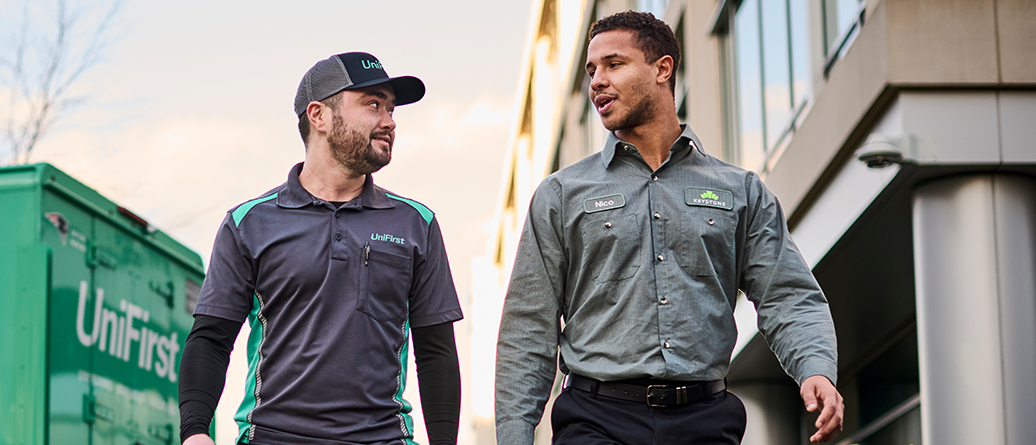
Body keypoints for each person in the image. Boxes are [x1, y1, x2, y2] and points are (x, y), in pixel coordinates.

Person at [494, 11, 843, 445]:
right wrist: (514, 435)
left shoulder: (740, 190)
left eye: (613, 64)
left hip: (706, 420)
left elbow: (787, 294)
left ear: (663, 69)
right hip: (595, 421)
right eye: (590, 70)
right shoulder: (562, 194)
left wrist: (816, 368)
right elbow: (528, 326)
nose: (596, 81)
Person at [178, 52, 463, 445]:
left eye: (392, 108)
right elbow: (211, 338)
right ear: (319, 116)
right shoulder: (249, 223)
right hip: (272, 437)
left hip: (381, 438)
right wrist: (194, 432)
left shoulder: (417, 224)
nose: (390, 121)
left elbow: (436, 352)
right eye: (373, 104)